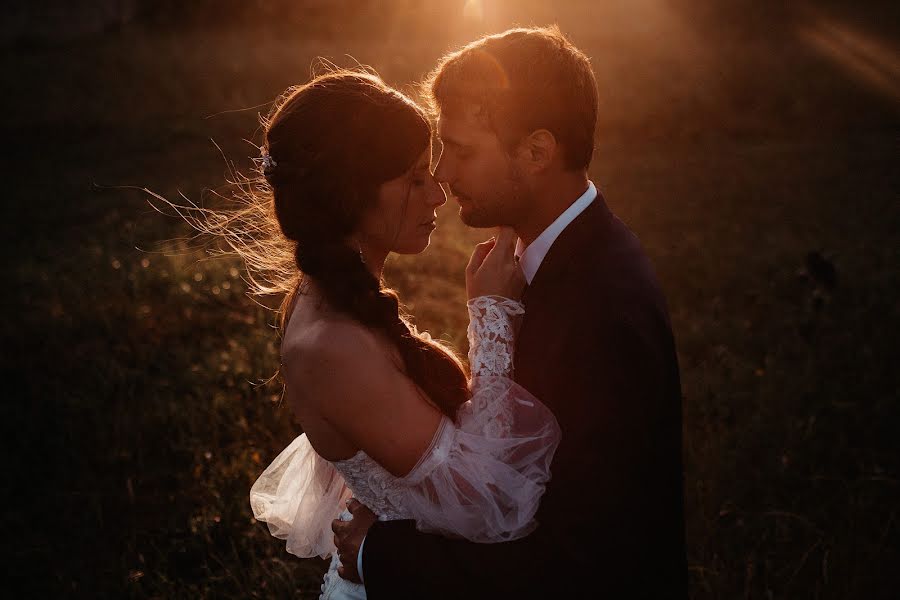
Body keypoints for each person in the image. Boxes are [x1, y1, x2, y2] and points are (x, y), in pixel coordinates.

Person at [333, 26, 688, 598]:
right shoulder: (548, 259)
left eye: (463, 151)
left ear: (538, 151)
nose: (443, 175)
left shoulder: (603, 307)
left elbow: (579, 554)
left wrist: (380, 552)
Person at [244, 69, 562, 600]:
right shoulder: (332, 345)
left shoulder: (329, 298)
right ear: (349, 194)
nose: (438, 192)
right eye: (415, 179)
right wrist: (492, 314)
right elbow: (487, 503)